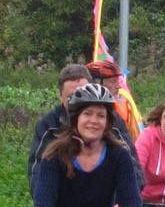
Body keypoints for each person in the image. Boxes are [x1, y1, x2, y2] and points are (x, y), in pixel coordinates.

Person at [29, 63, 143, 197]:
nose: (78, 102)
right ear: (60, 97)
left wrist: (119, 204)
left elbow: (135, 173)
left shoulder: (113, 122)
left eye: (83, 94)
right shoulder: (48, 125)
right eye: (71, 97)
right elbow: (37, 175)